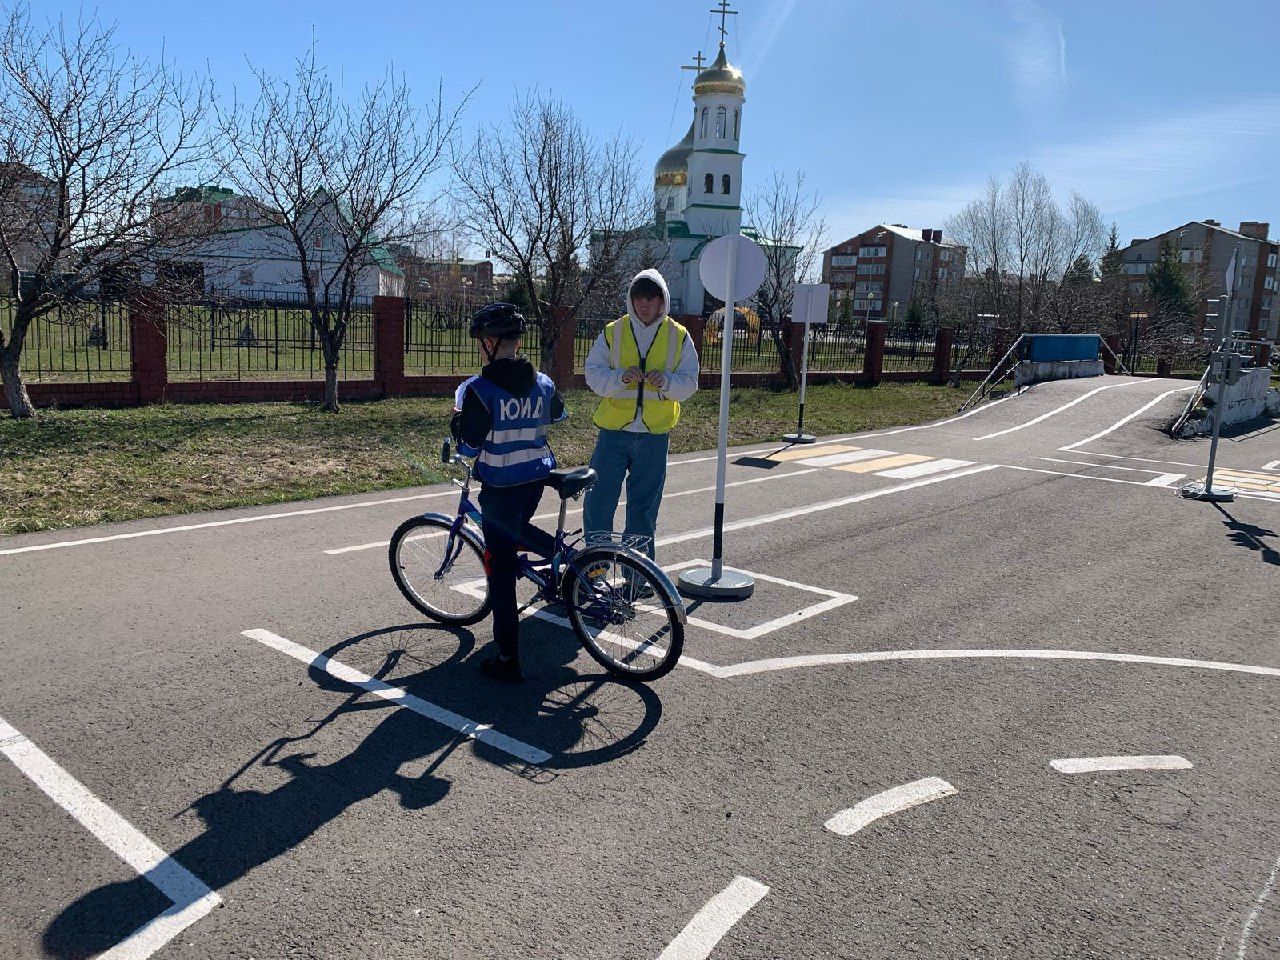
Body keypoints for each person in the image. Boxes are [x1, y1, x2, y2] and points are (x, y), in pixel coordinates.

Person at [451, 303, 565, 684]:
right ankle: (563, 557)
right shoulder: (543, 381)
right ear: (517, 343)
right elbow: (559, 415)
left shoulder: (479, 391)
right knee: (514, 529)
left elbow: (468, 447)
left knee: (500, 571)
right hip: (534, 482)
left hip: (498, 486)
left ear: (488, 343)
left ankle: (507, 657)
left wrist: (459, 430)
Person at [583, 269, 699, 563]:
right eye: (638, 297)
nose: (644, 304)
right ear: (630, 300)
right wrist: (621, 377)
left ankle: (636, 576)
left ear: (663, 301)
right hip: (613, 433)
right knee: (598, 503)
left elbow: (690, 383)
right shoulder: (613, 331)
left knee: (644, 509)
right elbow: (593, 375)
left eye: (651, 298)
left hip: (654, 436)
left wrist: (667, 383)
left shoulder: (679, 336)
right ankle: (592, 572)